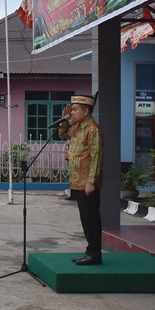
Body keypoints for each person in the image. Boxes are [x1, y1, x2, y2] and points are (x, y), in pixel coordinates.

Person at [59, 95, 104, 265]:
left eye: (75, 109)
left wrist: (92, 181)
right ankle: (90, 251)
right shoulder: (78, 128)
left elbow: (96, 157)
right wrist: (65, 120)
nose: (72, 112)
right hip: (77, 181)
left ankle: (94, 253)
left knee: (91, 218)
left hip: (87, 183)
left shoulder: (93, 130)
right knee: (85, 218)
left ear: (86, 111)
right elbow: (63, 134)